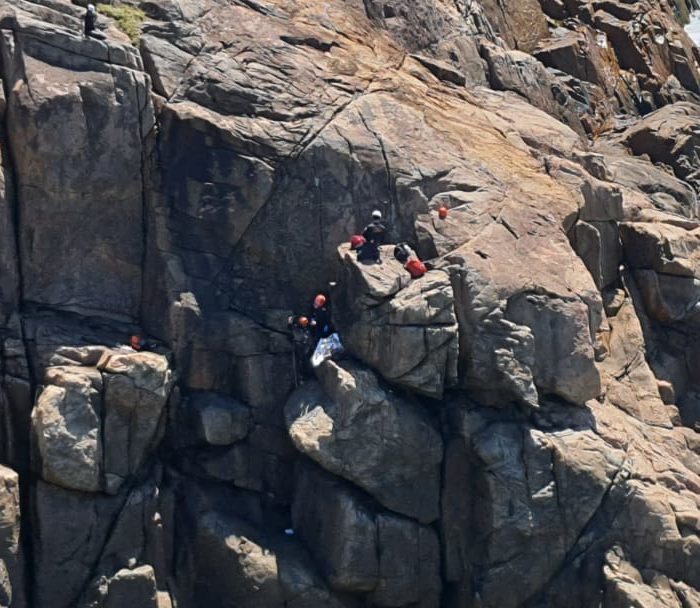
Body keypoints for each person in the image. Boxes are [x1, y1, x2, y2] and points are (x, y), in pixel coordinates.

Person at [288, 315, 313, 385]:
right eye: (303, 323)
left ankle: (308, 375)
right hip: (300, 346)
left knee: (307, 361)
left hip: (306, 346)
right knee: (302, 361)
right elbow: (291, 330)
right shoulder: (296, 328)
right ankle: (303, 377)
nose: (305, 324)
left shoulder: (306, 329)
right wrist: (290, 323)